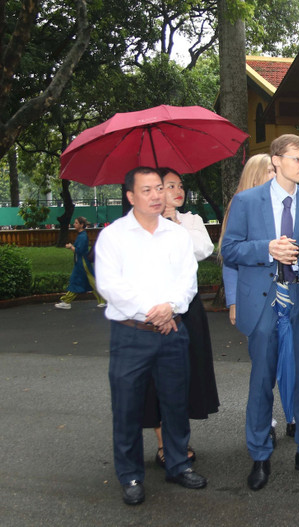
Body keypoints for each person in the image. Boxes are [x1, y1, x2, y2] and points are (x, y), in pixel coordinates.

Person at [222, 134, 299, 491]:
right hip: (263, 303)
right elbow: (229, 250)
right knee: (262, 382)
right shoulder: (246, 201)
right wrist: (267, 249)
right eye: (297, 159)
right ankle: (260, 456)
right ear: (275, 160)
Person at [95, 166, 207, 506]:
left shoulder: (176, 235)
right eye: (148, 190)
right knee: (127, 408)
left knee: (175, 403)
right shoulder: (113, 236)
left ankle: (177, 463)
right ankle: (130, 475)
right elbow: (111, 286)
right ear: (130, 196)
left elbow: (189, 280)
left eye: (160, 188)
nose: (157, 195)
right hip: (131, 335)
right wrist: (153, 311)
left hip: (173, 331)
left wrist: (170, 308)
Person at [141, 168, 220, 469]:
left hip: (188, 307)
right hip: (153, 309)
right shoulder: (144, 223)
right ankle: (164, 443)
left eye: (179, 185)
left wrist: (175, 225)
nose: (177, 190)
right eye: (168, 185)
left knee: (186, 372)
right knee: (155, 378)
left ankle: (180, 439)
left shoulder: (191, 221)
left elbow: (204, 250)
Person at [218, 154, 285, 442]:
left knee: (289, 360)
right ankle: (264, 422)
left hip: (287, 293)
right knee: (263, 365)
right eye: (270, 169)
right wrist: (234, 301)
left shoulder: (284, 201)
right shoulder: (241, 205)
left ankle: (292, 414)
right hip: (256, 298)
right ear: (256, 175)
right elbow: (229, 258)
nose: (276, 173)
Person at [55, 216, 105, 309]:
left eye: (76, 223)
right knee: (91, 282)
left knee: (77, 281)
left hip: (82, 262)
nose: (74, 224)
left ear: (82, 225)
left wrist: (71, 247)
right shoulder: (82, 235)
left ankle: (66, 301)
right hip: (82, 262)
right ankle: (102, 300)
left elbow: (79, 250)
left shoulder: (82, 236)